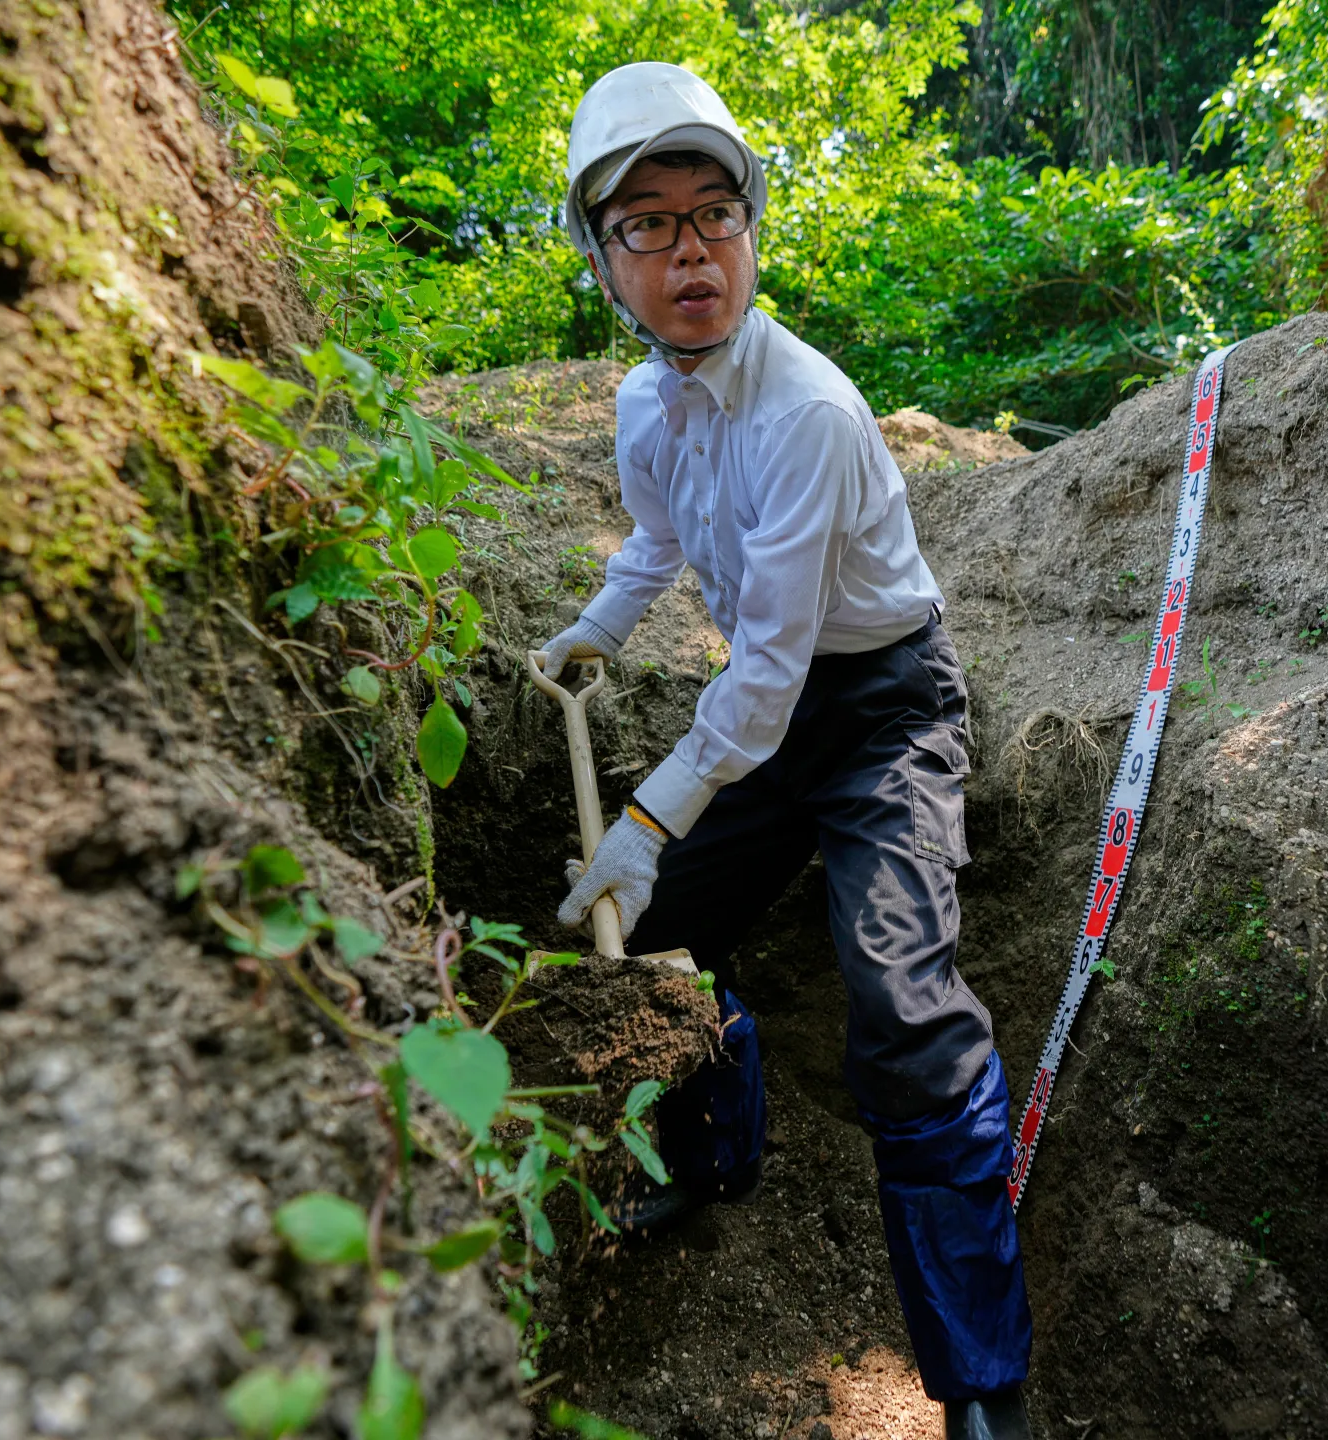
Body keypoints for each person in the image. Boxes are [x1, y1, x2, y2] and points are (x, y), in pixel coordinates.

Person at [539, 62, 1033, 1440]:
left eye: (715, 213)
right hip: (772, 714)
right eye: (647, 222)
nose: (690, 249)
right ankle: (713, 1157)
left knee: (902, 1007)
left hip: (881, 708)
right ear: (606, 260)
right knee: (654, 940)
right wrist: (595, 629)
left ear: (753, 231)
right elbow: (657, 539)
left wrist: (644, 814)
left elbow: (761, 680)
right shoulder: (646, 404)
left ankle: (984, 1387)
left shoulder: (809, 411)